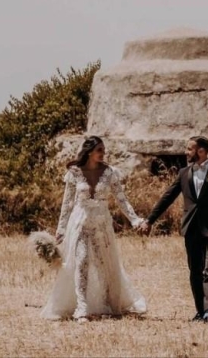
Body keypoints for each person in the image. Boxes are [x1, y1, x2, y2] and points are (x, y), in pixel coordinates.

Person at [41, 136, 147, 321]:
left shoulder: (110, 172)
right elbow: (66, 204)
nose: (103, 154)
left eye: (104, 150)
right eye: (100, 150)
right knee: (81, 262)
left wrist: (135, 219)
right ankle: (81, 307)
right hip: (80, 223)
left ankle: (107, 304)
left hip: (102, 224)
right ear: (89, 151)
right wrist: (61, 229)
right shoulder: (74, 172)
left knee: (102, 264)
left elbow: (122, 199)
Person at [139, 136, 208, 324]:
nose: (186, 152)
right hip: (191, 228)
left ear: (201, 151)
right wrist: (149, 220)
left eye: (190, 149)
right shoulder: (183, 173)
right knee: (195, 270)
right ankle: (200, 311)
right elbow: (167, 197)